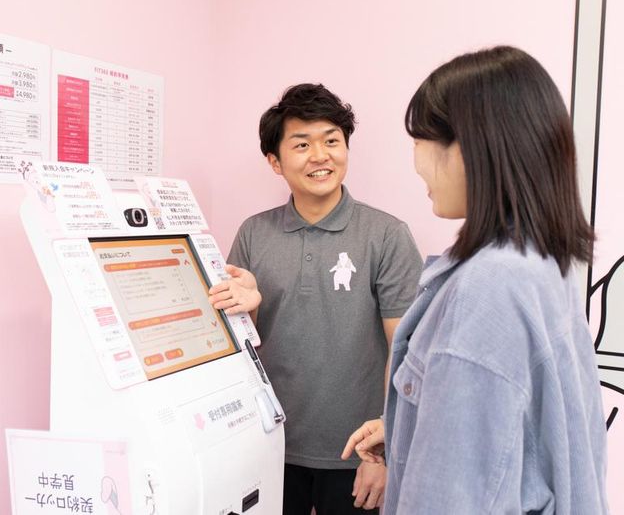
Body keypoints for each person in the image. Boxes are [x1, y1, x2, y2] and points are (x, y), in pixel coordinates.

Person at [342, 46, 609, 514]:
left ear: (468, 148)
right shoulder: (541, 261)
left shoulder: (488, 288)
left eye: (421, 141)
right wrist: (411, 425)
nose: (416, 163)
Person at [209, 83, 423, 514]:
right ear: (275, 161)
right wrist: (249, 308)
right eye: (302, 144)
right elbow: (234, 346)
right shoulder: (254, 232)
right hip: (268, 444)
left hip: (357, 451)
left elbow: (406, 351)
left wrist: (385, 451)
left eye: (331, 141)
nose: (321, 156)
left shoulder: (387, 235)